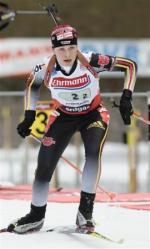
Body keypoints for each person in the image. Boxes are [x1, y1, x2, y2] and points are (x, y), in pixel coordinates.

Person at [7, 24, 137, 233]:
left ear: (77, 47)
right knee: (44, 166)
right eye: (61, 49)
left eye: (71, 48)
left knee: (93, 152)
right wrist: (29, 116)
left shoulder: (92, 61)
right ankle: (36, 215)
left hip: (93, 114)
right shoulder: (45, 68)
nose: (67, 54)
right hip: (63, 117)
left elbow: (129, 65)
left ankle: (85, 212)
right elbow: (32, 85)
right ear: (53, 50)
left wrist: (127, 96)